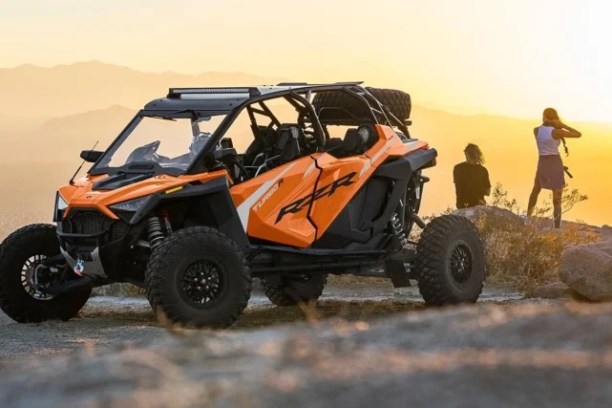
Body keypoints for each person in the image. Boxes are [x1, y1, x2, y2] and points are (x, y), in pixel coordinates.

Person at [527, 108, 581, 228]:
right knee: (557, 199)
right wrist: (563, 125)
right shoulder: (557, 132)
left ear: (545, 117)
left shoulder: (536, 130)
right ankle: (557, 227)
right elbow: (578, 134)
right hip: (555, 163)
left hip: (543, 162)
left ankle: (528, 218)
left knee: (535, 191)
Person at [453, 144, 491, 208]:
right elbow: (488, 192)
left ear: (466, 154)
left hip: (461, 204)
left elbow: (459, 187)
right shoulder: (482, 170)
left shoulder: (458, 168)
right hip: (478, 204)